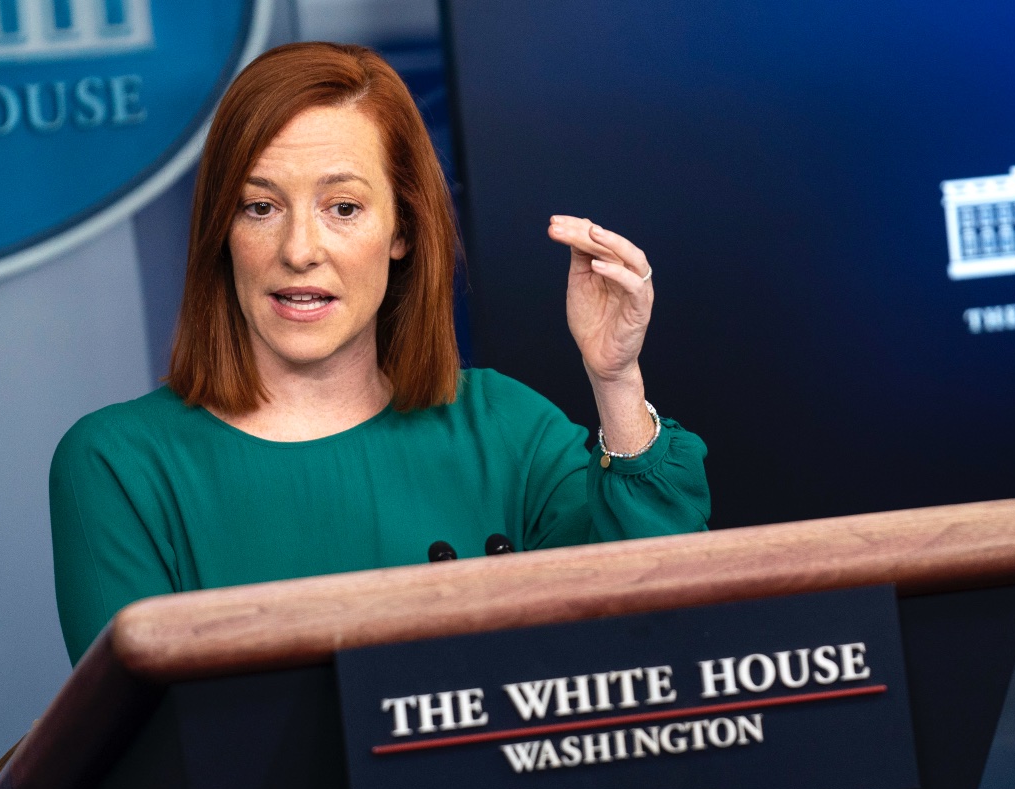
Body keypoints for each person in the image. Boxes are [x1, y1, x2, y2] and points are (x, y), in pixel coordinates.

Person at [49, 42, 710, 665]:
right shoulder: (117, 464)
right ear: (221, 229)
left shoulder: (504, 426)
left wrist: (615, 380)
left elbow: (654, 638)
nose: (299, 249)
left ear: (402, 229)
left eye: (342, 207)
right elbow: (153, 750)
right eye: (259, 206)